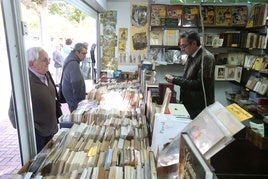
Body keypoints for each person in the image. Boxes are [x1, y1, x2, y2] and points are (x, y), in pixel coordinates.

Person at [8, 47, 59, 153]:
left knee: (51, 159)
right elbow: (13, 112)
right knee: (39, 163)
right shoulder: (23, 82)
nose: (48, 62)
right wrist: (31, 131)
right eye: (44, 60)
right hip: (38, 135)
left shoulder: (47, 75)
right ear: (31, 63)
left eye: (48, 59)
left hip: (51, 130)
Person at [165, 31, 215, 119]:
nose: (182, 49)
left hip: (198, 106)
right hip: (188, 103)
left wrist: (175, 80)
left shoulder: (206, 57)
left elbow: (200, 84)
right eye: (181, 46)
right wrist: (174, 77)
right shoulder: (191, 55)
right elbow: (187, 79)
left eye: (184, 46)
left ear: (194, 43)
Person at [61, 42, 87, 112]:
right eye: (83, 53)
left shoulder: (72, 59)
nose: (85, 56)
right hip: (73, 95)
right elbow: (76, 83)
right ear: (76, 52)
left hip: (70, 93)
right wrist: (80, 101)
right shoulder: (73, 63)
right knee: (76, 114)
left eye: (86, 53)